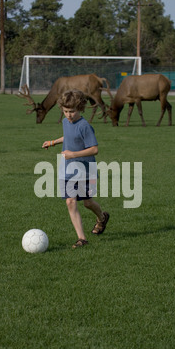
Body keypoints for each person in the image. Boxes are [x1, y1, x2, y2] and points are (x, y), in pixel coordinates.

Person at [42, 89, 109, 249]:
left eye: (72, 111)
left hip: (86, 170)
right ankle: (82, 239)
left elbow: (94, 149)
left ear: (80, 108)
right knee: (70, 201)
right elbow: (69, 136)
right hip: (68, 170)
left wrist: (73, 154)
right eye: (65, 111)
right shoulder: (66, 122)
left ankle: (102, 217)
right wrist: (53, 142)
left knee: (87, 203)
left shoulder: (85, 126)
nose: (69, 115)